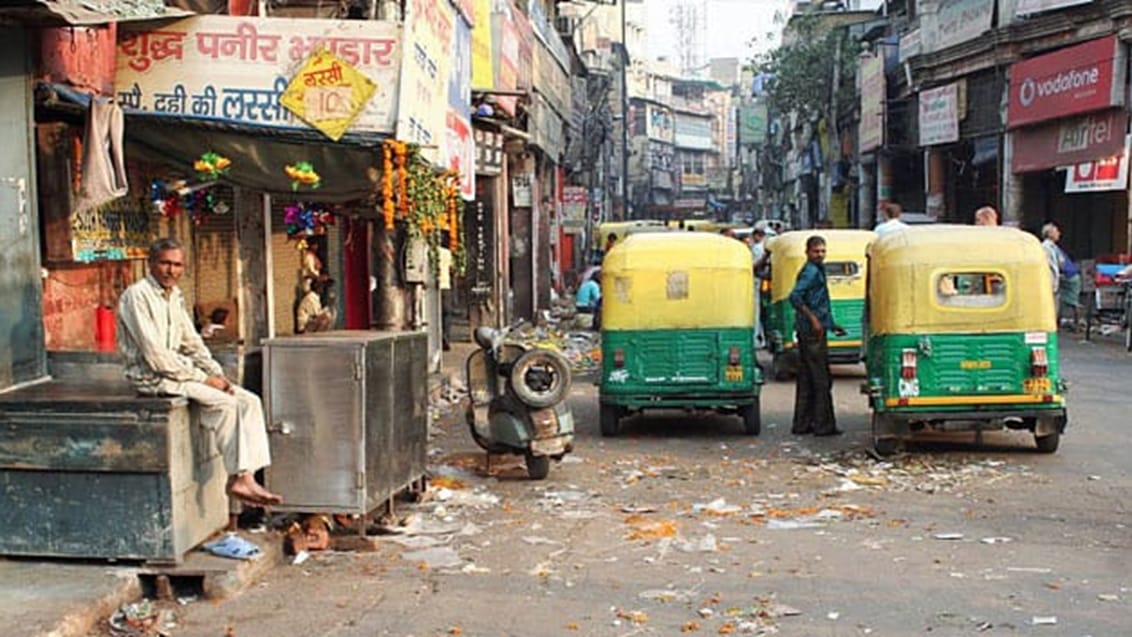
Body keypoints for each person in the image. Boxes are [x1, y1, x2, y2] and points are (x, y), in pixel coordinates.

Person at [117, 237, 281, 506]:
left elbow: (191, 342)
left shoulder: (174, 297)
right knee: (226, 404)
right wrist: (205, 379)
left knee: (250, 401)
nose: (172, 271)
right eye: (166, 263)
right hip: (153, 378)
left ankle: (249, 477)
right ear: (151, 263)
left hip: (179, 374)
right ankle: (238, 476)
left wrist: (217, 374)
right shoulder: (137, 296)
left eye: (178, 265)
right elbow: (156, 357)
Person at [788, 235, 847, 437]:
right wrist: (813, 320)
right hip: (812, 332)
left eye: (823, 251)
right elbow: (795, 297)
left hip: (814, 329)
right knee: (821, 379)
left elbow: (818, 301)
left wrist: (831, 325)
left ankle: (802, 424)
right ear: (808, 252)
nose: (820, 254)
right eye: (816, 251)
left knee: (807, 379)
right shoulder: (811, 271)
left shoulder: (817, 270)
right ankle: (823, 425)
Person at [750, 228, 769, 347]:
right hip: (763, 282)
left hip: (758, 282)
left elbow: (754, 265)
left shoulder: (757, 248)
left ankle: (758, 339)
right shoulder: (763, 247)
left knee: (756, 310)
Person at [1040, 223, 1062, 312]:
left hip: (1054, 283)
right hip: (1049, 283)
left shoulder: (1054, 247)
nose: (1059, 233)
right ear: (1049, 234)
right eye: (1056, 231)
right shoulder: (1046, 247)